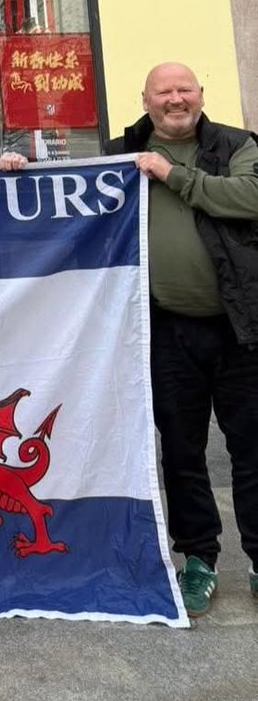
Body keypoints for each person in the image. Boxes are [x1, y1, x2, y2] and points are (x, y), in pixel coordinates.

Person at [107, 61, 258, 617]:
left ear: (201, 94)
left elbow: (249, 198)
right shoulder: (119, 151)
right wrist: (16, 166)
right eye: (164, 91)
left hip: (242, 327)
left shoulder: (238, 144)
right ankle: (199, 559)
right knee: (182, 453)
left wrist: (172, 176)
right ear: (145, 99)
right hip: (167, 329)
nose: (176, 99)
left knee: (252, 450)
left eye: (185, 89)